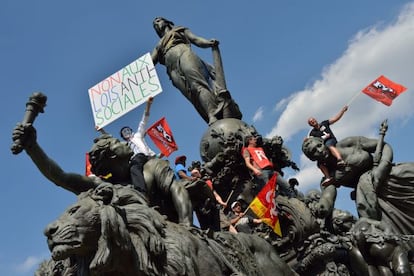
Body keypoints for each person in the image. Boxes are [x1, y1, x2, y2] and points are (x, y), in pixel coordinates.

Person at [12, 123, 193, 226]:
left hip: (170, 232)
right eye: (117, 142)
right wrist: (32, 147)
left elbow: (178, 191)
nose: (124, 143)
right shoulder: (104, 186)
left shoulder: (151, 166)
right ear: (113, 155)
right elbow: (60, 177)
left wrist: (187, 226)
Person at [301, 121, 414, 237]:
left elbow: (384, 146)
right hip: (371, 197)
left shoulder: (349, 143)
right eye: (313, 152)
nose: (319, 151)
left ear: (323, 142)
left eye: (319, 146)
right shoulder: (328, 175)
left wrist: (382, 167)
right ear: (311, 158)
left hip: (390, 177)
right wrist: (324, 204)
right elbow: (328, 195)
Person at [151, 17, 241, 125]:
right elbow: (150, 62)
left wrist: (208, 43)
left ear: (166, 22)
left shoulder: (178, 30)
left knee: (197, 84)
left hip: (184, 54)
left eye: (158, 20)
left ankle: (213, 113)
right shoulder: (158, 45)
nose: (156, 23)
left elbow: (196, 39)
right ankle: (209, 114)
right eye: (154, 24)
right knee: (192, 96)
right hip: (171, 69)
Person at [120, 96, 164, 194]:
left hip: (145, 157)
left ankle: (140, 192)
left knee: (134, 168)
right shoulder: (124, 145)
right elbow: (111, 140)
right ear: (123, 136)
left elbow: (144, 120)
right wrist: (101, 130)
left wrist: (148, 104)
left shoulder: (138, 135)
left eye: (128, 130)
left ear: (131, 131)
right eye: (124, 132)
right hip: (141, 158)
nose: (126, 132)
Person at [307, 105, 348, 186]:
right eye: (311, 122)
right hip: (322, 148)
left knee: (328, 144)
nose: (313, 122)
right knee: (319, 163)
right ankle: (328, 177)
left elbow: (335, 118)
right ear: (310, 125)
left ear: (315, 120)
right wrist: (306, 140)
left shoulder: (324, 123)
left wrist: (342, 111)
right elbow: (311, 141)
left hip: (330, 141)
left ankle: (340, 159)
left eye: (313, 120)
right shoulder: (312, 133)